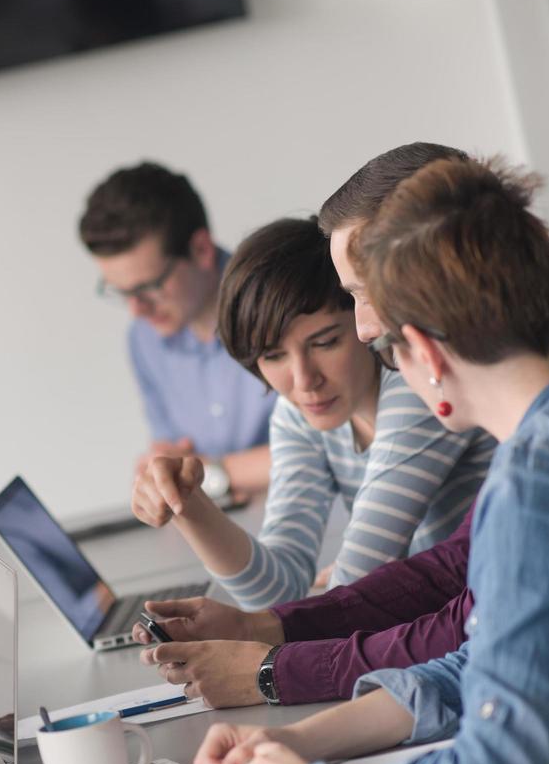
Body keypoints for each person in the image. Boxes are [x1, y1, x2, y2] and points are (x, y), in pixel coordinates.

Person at [194, 157, 549, 764]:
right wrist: (307, 744)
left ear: (421, 351)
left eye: (379, 347)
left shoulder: (540, 484)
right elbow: (485, 656)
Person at [128, 143, 549, 710]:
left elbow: (474, 619)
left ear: (430, 264)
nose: (364, 328)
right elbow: (458, 568)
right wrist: (265, 628)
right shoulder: (524, 382)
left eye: (362, 293)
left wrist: (274, 667)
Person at [131, 216, 493, 610]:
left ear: (363, 318)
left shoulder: (415, 384)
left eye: (325, 343)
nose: (303, 380)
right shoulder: (298, 414)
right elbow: (278, 589)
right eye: (273, 356)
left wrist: (323, 602)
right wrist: (188, 504)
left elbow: (348, 596)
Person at [78, 162, 275, 496]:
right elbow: (173, 453)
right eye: (121, 292)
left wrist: (210, 474)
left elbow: (337, 443)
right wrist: (163, 469)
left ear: (200, 250)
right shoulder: (144, 339)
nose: (136, 309)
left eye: (149, 287)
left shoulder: (284, 304)